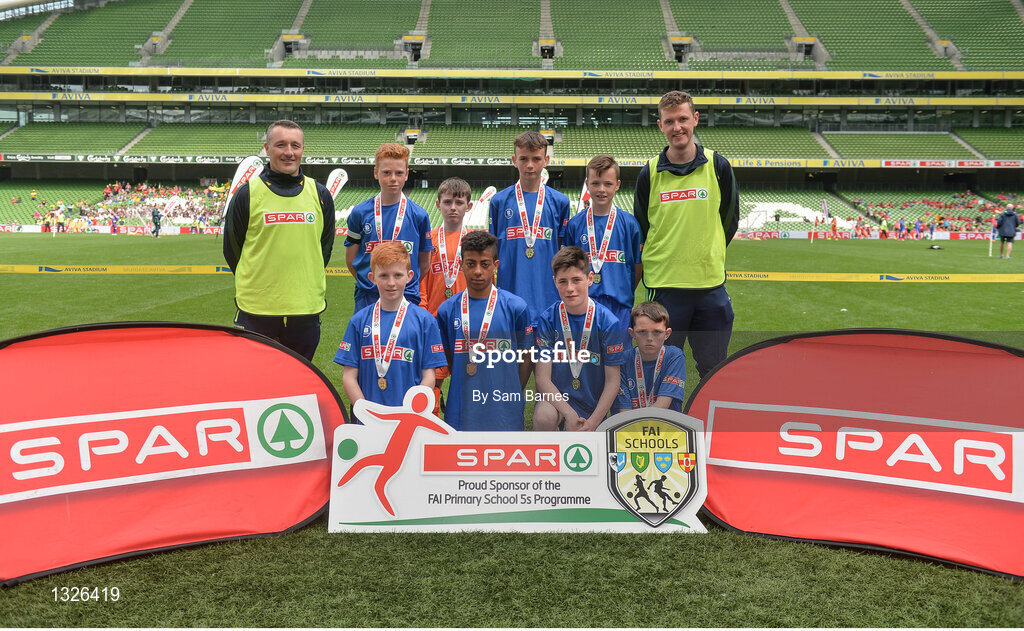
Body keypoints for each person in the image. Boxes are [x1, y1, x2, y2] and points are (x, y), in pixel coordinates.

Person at [633, 90, 738, 379]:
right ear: (660, 126)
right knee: (658, 370)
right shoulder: (649, 173)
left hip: (710, 287)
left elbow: (729, 222)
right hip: (664, 289)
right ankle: (661, 424)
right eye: (669, 121)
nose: (677, 127)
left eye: (682, 119)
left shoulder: (719, 167)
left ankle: (708, 422)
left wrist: (705, 251)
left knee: (714, 369)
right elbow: (641, 229)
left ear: (695, 119)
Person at [223, 119, 336, 361]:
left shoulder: (321, 194)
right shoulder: (247, 194)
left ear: (303, 149)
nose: (289, 152)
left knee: (300, 385)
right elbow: (232, 251)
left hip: (305, 308)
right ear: (267, 148)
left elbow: (324, 249)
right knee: (258, 383)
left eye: (295, 145)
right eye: (280, 145)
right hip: (257, 310)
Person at [436, 231, 532, 431]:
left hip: (505, 411)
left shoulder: (516, 307)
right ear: (461, 265)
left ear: (495, 266)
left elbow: (526, 358)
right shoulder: (447, 310)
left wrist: (512, 388)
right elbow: (450, 357)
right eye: (471, 264)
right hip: (461, 408)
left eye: (485, 264)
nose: (478, 271)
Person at [335, 241, 447, 408]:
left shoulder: (425, 321)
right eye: (384, 276)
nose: (391, 283)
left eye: (398, 275)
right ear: (372, 278)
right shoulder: (359, 321)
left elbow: (429, 376)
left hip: (409, 421)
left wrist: (414, 411)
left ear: (409, 276)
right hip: (368, 421)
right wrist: (366, 412)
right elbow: (349, 377)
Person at [533, 246, 626, 431]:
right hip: (557, 403)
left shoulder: (609, 323)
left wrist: (593, 421)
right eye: (563, 281)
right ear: (554, 281)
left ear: (590, 279)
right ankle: (551, 454)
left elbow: (613, 381)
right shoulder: (548, 319)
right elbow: (542, 378)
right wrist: (568, 413)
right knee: (544, 417)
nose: (570, 288)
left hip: (593, 405)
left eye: (576, 280)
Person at [489, 130, 571, 322]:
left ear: (546, 160)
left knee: (545, 352)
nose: (530, 165)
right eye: (524, 159)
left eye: (536, 159)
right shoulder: (499, 202)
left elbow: (559, 248)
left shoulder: (560, 202)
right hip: (508, 296)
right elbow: (494, 250)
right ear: (514, 160)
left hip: (547, 298)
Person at [346, 143, 432, 315]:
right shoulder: (360, 213)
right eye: (386, 172)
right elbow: (351, 260)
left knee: (404, 342)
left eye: (399, 173)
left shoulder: (419, 216)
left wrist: (401, 285)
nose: (393, 178)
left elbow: (424, 264)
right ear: (376, 172)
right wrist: (372, 284)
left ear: (406, 174)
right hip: (368, 296)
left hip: (407, 295)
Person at [564, 154, 643, 334]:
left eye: (608, 184)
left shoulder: (629, 224)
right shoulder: (576, 224)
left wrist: (624, 291)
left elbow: (638, 266)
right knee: (584, 358)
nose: (601, 189)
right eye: (596, 183)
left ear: (617, 185)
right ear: (587, 184)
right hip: (583, 305)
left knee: (617, 359)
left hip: (619, 306)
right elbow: (568, 267)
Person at [613, 302, 687, 414]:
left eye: (657, 332)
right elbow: (624, 411)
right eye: (642, 332)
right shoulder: (622, 360)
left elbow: (663, 404)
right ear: (631, 333)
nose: (649, 338)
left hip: (665, 427)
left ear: (667, 334)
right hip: (629, 428)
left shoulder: (674, 357)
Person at [420, 177, 472, 317]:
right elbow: (421, 283)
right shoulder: (428, 240)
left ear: (469, 206)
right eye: (447, 202)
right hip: (433, 317)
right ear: (438, 204)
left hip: (468, 317)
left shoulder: (475, 241)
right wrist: (423, 313)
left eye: (459, 203)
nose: (453, 207)